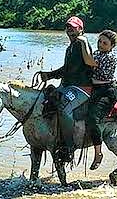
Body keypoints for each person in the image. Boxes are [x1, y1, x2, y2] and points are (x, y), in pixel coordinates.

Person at [32, 16, 93, 163]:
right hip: (68, 86)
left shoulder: (82, 45)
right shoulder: (70, 47)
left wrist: (52, 75)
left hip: (81, 88)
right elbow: (67, 69)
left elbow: (85, 65)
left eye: (73, 27)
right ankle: (52, 137)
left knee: (64, 108)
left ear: (81, 29)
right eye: (68, 27)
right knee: (46, 101)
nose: (70, 29)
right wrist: (50, 75)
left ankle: (69, 147)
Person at [81, 30, 117, 170]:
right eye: (99, 42)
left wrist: (84, 42)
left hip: (107, 92)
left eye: (105, 43)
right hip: (95, 89)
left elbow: (88, 61)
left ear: (112, 46)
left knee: (92, 118)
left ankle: (98, 153)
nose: (101, 45)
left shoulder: (109, 57)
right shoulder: (97, 53)